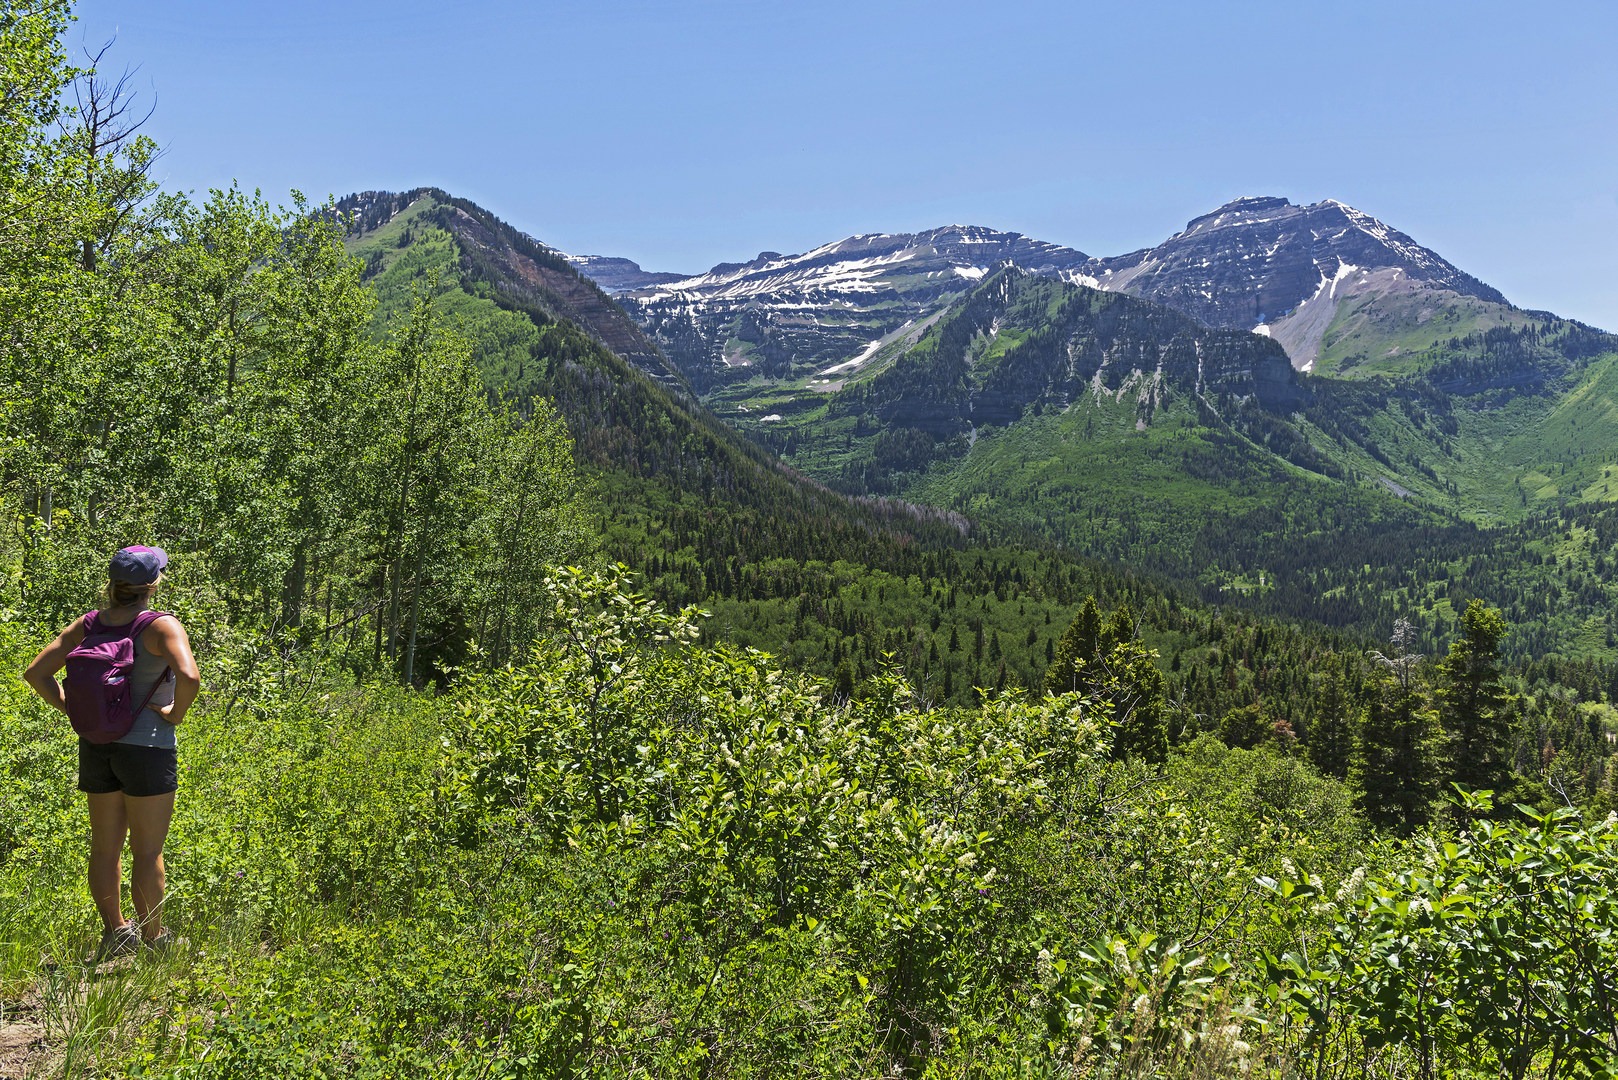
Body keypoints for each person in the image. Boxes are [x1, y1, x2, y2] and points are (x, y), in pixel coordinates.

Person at [23, 546, 200, 960]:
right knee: (148, 850)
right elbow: (189, 676)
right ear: (152, 584)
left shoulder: (89, 624)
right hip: (148, 748)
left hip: (97, 745)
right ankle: (156, 941)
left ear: (114, 583)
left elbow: (35, 673)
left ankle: (117, 933)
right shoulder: (161, 626)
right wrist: (175, 714)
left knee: (105, 848)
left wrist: (73, 708)